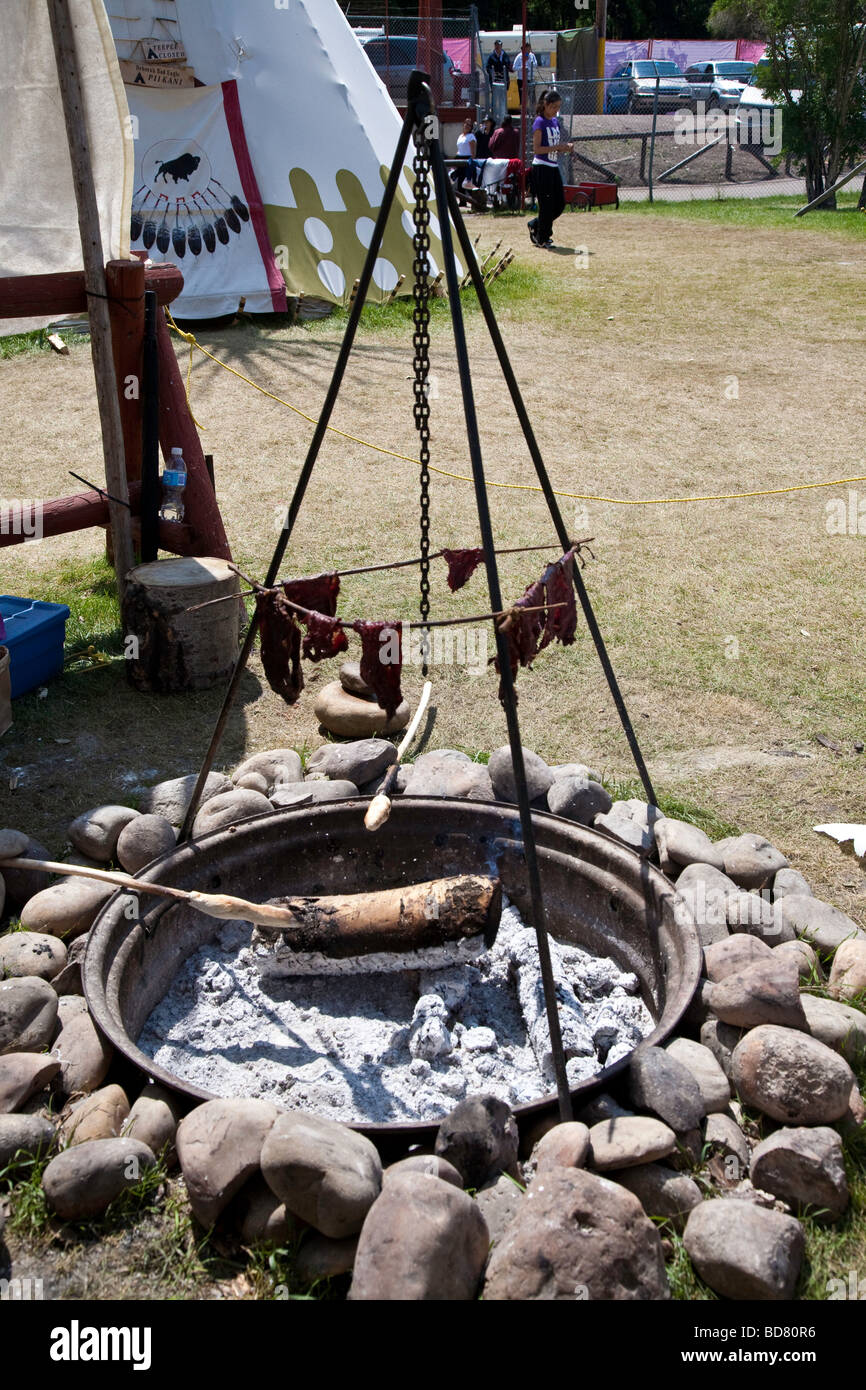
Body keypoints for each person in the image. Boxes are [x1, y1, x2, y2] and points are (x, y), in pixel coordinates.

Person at [527, 89, 573, 249]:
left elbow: (555, 146)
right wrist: (558, 147)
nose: (556, 110)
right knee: (546, 205)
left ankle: (536, 224)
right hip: (541, 167)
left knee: (559, 204)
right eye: (553, 107)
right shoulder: (539, 122)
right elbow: (538, 149)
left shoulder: (555, 122)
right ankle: (542, 238)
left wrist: (565, 148)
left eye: (558, 107)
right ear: (545, 105)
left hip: (553, 167)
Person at [455, 115, 479, 190]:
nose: (467, 126)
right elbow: (459, 150)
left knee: (466, 184)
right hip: (459, 160)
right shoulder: (460, 136)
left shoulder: (471, 137)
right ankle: (462, 202)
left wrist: (470, 164)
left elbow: (473, 153)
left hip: (467, 160)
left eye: (469, 125)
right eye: (466, 123)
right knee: (459, 184)